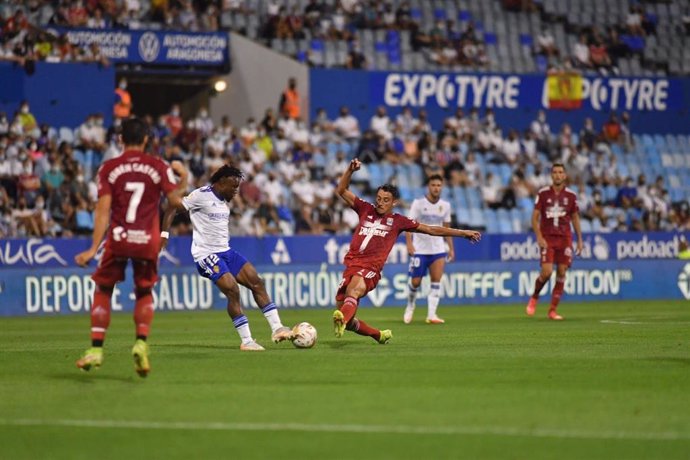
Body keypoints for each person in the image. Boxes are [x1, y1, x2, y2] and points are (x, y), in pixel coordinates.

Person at [74, 117, 189, 377]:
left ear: (121, 139)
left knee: (104, 288)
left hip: (118, 237)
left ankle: (96, 349)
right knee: (144, 291)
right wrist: (184, 179)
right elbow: (175, 202)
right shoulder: (158, 166)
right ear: (147, 139)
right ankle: (140, 343)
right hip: (146, 240)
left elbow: (102, 209)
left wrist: (93, 248)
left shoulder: (109, 168)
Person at [333, 159, 481, 344]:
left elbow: (431, 229)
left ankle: (342, 319)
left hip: (370, 268)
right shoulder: (365, 209)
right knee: (347, 317)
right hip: (351, 265)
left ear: (394, 202)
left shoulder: (398, 221)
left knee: (353, 291)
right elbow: (341, 190)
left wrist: (463, 233)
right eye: (379, 198)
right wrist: (350, 170)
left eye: (386, 200)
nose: (380, 203)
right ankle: (378, 335)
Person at [160, 165, 294, 351]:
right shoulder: (201, 195)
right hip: (206, 254)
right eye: (233, 187)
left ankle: (277, 328)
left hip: (226, 251)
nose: (236, 191)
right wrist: (164, 234)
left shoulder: (224, 200)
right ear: (221, 183)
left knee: (257, 282)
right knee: (233, 289)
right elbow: (173, 207)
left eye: (237, 187)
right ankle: (247, 341)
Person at [526, 163, 583, 320]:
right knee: (547, 272)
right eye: (555, 172)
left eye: (560, 172)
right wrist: (538, 236)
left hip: (565, 238)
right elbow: (534, 217)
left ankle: (552, 310)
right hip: (548, 238)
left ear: (564, 175)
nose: (558, 175)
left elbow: (575, 218)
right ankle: (535, 296)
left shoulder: (571, 196)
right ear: (551, 175)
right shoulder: (543, 194)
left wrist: (579, 239)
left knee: (562, 271)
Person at [403, 174, 454, 324]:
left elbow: (447, 229)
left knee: (436, 281)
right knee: (416, 282)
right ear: (428, 186)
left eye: (439, 185)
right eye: (433, 185)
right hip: (420, 249)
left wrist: (451, 248)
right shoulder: (418, 204)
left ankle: (432, 315)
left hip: (438, 249)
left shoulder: (445, 206)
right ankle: (410, 305)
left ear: (442, 187)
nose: (436, 188)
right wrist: (409, 243)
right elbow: (408, 224)